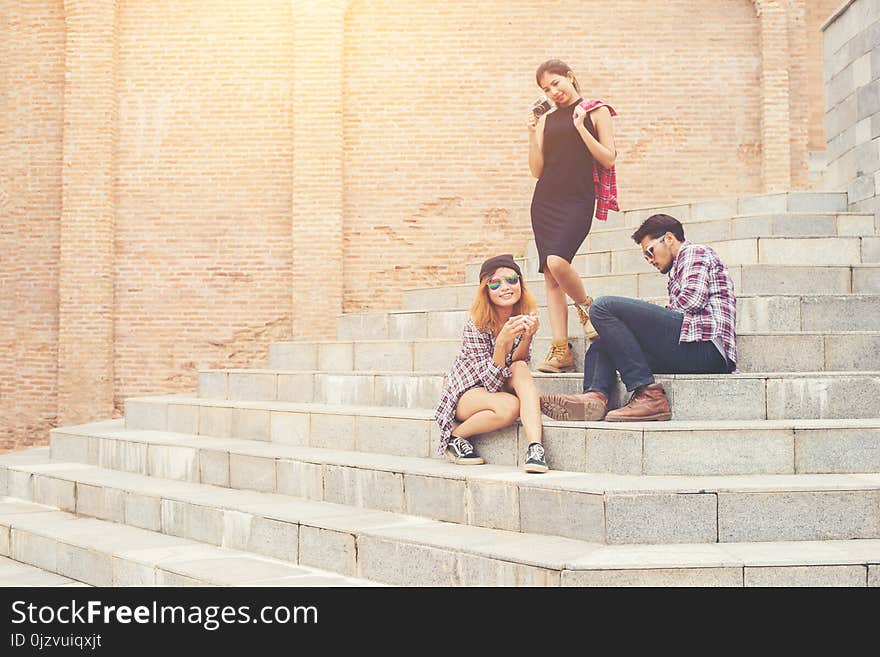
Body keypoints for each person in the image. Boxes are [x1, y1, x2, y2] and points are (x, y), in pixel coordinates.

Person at [539, 214, 737, 422]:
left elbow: (692, 301)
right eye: (646, 257)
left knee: (602, 307)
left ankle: (649, 395)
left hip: (707, 347)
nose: (650, 260)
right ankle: (595, 397)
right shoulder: (677, 269)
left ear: (669, 238)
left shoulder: (695, 252)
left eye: (650, 252)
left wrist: (638, 320)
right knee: (604, 343)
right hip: (688, 348)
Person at [528, 59, 618, 374]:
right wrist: (531, 133)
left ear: (570, 77)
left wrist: (581, 128)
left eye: (556, 83)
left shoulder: (596, 111)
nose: (554, 92)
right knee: (551, 277)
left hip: (578, 199)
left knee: (557, 261)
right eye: (546, 89)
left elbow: (608, 158)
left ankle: (587, 308)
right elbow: (537, 170)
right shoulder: (545, 120)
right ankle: (560, 349)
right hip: (545, 201)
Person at [435, 254, 548, 473]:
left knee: (521, 368)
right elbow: (490, 383)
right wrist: (502, 343)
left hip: (500, 382)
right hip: (468, 392)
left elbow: (519, 362)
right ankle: (455, 437)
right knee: (510, 406)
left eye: (512, 280)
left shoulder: (526, 314)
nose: (505, 287)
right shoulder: (477, 324)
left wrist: (526, 337)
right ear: (485, 291)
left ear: (521, 284)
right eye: (495, 283)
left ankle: (536, 448)